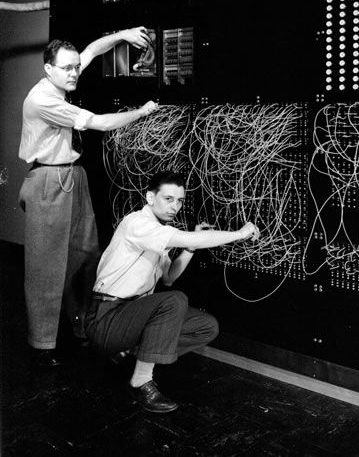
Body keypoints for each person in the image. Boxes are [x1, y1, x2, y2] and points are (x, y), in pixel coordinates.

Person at [18, 28, 160, 367]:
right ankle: (42, 345)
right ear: (47, 69)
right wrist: (141, 113)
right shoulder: (44, 100)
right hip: (47, 180)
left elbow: (93, 48)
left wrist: (124, 34)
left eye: (74, 67)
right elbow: (97, 123)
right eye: (66, 68)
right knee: (45, 266)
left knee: (86, 254)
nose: (73, 73)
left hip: (72, 174)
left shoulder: (63, 77)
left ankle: (83, 326)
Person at [85, 170, 260, 413]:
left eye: (179, 201)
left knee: (206, 326)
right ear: (149, 198)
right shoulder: (137, 223)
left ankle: (129, 354)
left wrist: (188, 249)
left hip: (130, 316)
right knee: (174, 301)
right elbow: (172, 282)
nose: (175, 207)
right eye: (168, 199)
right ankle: (140, 382)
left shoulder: (158, 232)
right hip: (106, 318)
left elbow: (168, 278)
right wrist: (239, 234)